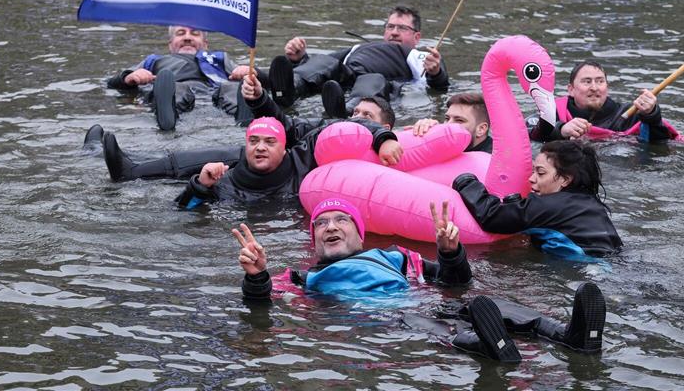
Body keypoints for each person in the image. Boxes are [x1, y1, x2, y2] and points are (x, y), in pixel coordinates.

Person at [234, 197, 607, 361]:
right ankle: (488, 346)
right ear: (314, 239)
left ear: (359, 234)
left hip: (421, 300)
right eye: (321, 224)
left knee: (479, 304)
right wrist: (256, 276)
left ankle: (569, 335)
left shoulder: (398, 256)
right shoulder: (301, 276)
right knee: (426, 324)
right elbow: (263, 306)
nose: (330, 227)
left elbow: (454, 282)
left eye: (340, 220)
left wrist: (449, 251)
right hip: (379, 318)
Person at [94, 76, 396, 183]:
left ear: (386, 125)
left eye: (365, 115)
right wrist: (261, 99)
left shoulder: (390, 140)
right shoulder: (330, 131)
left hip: (289, 181)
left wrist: (382, 137)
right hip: (279, 165)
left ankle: (133, 171)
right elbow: (286, 126)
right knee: (247, 148)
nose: (356, 118)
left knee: (243, 154)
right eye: (354, 111)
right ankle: (132, 162)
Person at [173, 116, 398, 209]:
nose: (260, 147)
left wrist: (383, 138)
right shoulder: (225, 183)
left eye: (270, 142)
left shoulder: (303, 158)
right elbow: (187, 212)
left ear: (283, 149)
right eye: (254, 141)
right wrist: (200, 186)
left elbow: (347, 125)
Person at [453, 139, 623, 259]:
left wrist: (465, 182)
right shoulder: (590, 202)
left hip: (588, 266)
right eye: (533, 171)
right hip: (613, 262)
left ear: (565, 179)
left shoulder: (549, 204)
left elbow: (492, 216)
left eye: (540, 173)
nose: (531, 179)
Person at [269, 6, 449, 111]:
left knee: (373, 79)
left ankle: (347, 110)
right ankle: (291, 87)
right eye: (390, 26)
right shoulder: (357, 48)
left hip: (375, 84)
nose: (394, 32)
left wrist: (435, 72)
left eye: (402, 28)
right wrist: (299, 58)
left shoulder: (419, 55)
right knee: (325, 61)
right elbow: (321, 66)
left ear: (417, 37)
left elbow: (440, 84)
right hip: (343, 76)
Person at [106, 25, 268, 131]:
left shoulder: (219, 59)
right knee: (176, 87)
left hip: (213, 91)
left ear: (205, 44)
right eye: (181, 33)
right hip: (172, 89)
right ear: (171, 44)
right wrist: (129, 77)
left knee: (232, 87)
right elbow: (111, 83)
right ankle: (168, 116)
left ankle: (243, 117)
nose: (188, 37)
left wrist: (249, 71)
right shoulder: (154, 61)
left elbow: (252, 78)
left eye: (195, 33)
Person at [530, 60, 672, 143]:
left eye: (600, 81)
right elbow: (528, 132)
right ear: (571, 89)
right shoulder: (553, 112)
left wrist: (652, 115)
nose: (594, 88)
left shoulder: (629, 114)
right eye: (587, 82)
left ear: (607, 87)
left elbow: (661, 143)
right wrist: (560, 130)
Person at [410, 92, 492, 153]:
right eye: (447, 118)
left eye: (459, 120)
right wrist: (424, 133)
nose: (447, 125)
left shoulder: (495, 160)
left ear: (481, 129)